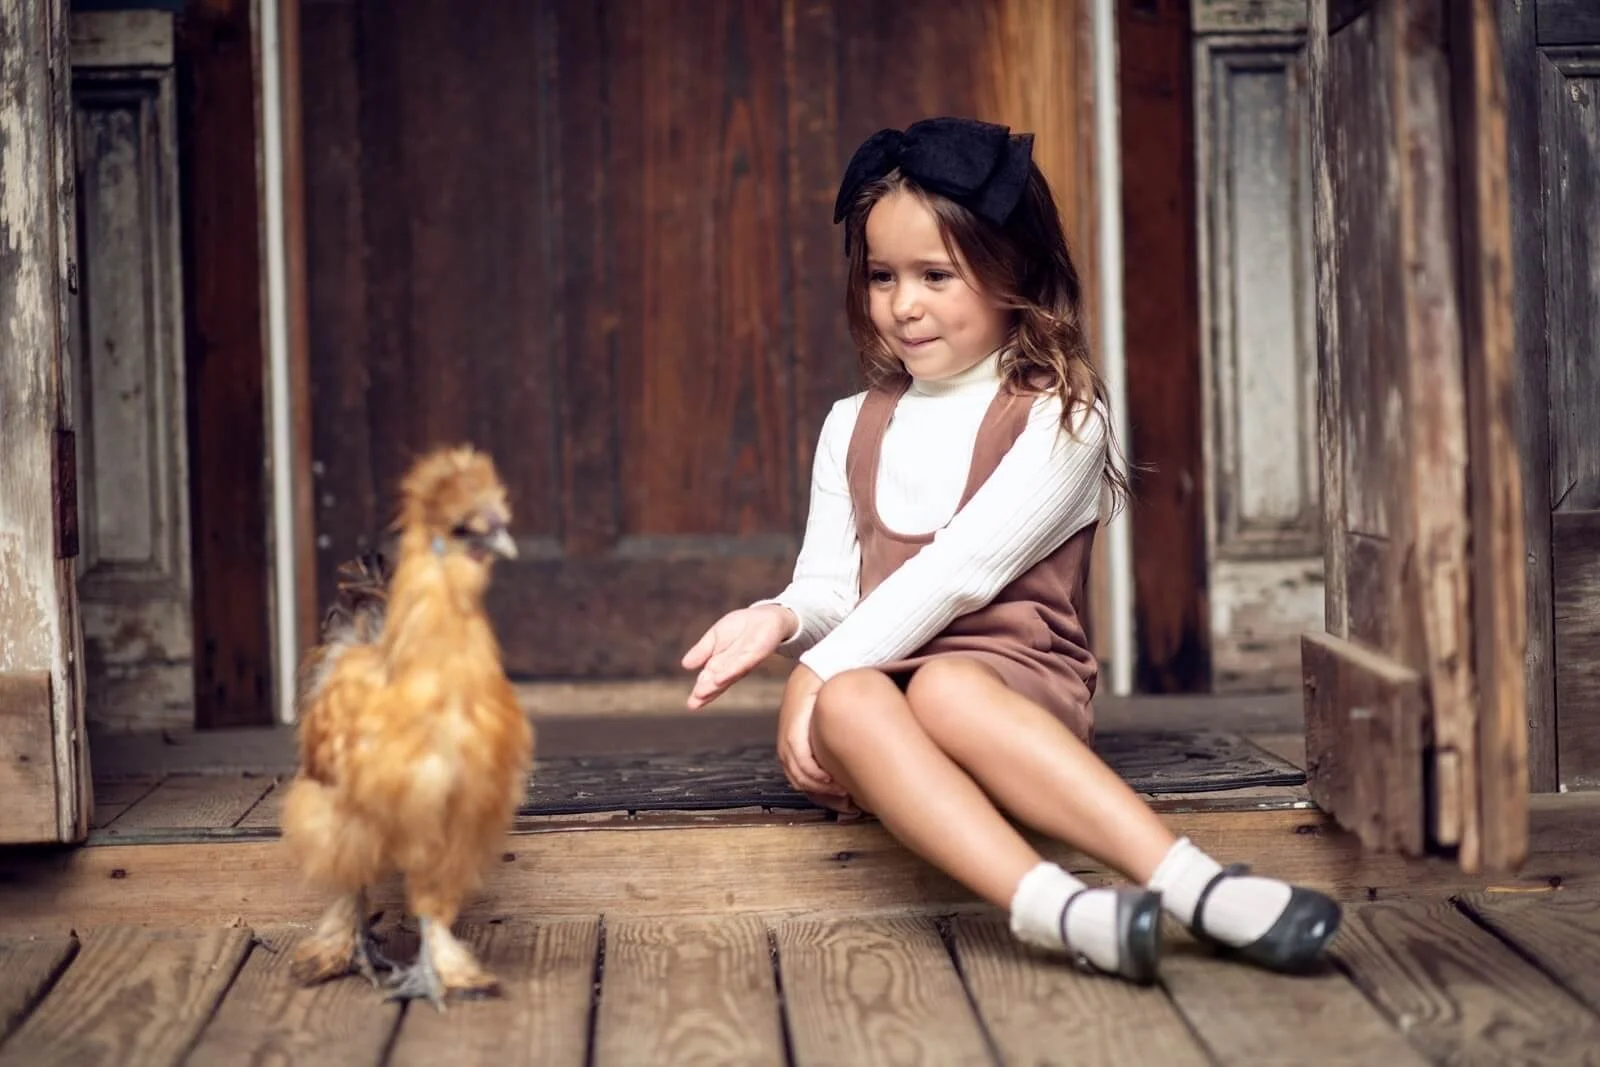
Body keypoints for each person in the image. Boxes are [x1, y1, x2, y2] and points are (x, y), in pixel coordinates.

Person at [681, 116, 1340, 982]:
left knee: (934, 685)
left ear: (1012, 273)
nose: (902, 304)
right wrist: (781, 619)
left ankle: (1196, 886)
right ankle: (1059, 910)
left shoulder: (1064, 416)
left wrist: (816, 672)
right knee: (850, 705)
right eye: (881, 276)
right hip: (888, 695)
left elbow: (960, 575)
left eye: (934, 275)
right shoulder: (852, 424)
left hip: (1013, 690)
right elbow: (834, 585)